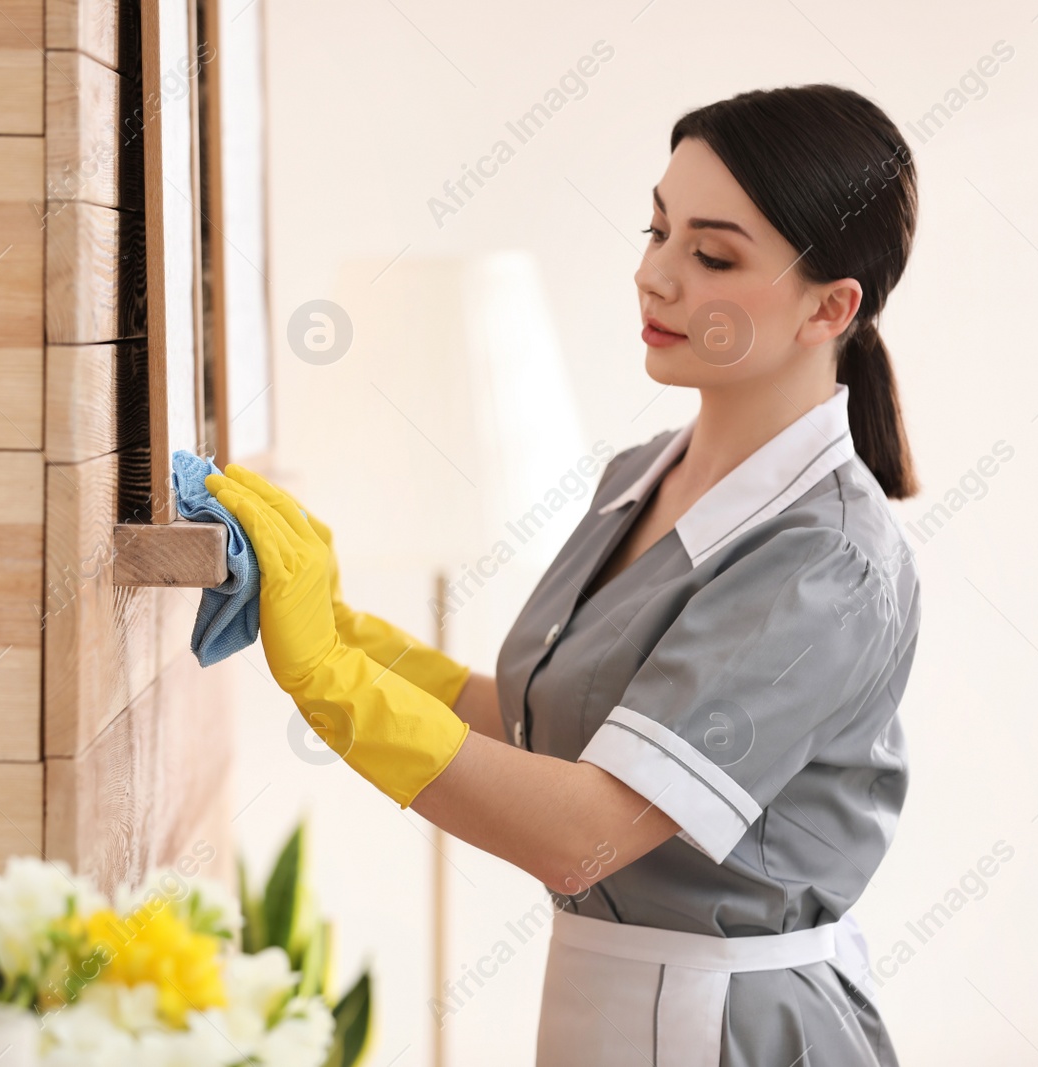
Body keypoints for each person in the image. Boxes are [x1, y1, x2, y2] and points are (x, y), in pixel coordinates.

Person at [208, 83, 923, 1067]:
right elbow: (546, 724)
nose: (652, 275)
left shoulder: (826, 561)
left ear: (829, 305)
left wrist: (328, 679)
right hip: (603, 999)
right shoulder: (640, 478)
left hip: (730, 1029)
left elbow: (582, 831)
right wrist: (334, 624)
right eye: (657, 229)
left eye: (710, 254)